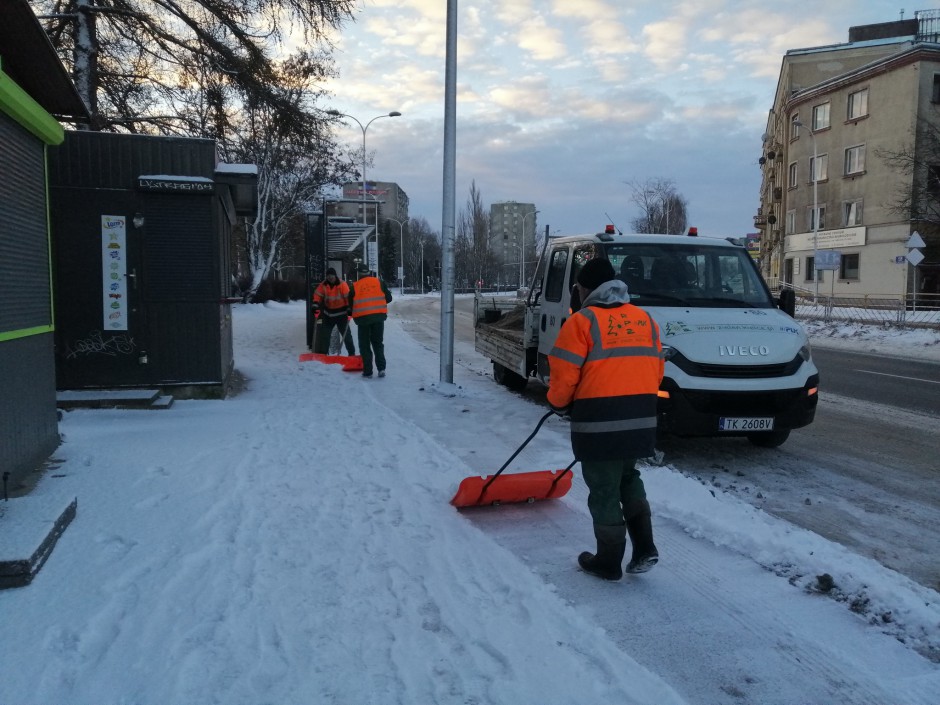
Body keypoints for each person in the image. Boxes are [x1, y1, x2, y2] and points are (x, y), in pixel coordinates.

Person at [547, 257, 664, 581]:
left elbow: (564, 377)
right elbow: (656, 371)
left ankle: (608, 560)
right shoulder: (645, 319)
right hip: (640, 417)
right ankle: (645, 547)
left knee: (603, 487)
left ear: (585, 288)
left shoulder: (582, 322)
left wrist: (558, 404)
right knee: (628, 477)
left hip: (599, 421)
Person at [349, 268, 393, 378]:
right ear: (369, 273)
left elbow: (350, 304)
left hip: (363, 319)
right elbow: (389, 298)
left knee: (364, 345)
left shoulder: (354, 286)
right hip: (378, 318)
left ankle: (368, 371)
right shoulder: (379, 282)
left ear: (359, 274)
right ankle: (381, 369)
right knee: (378, 343)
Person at [312, 268, 356, 356]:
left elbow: (348, 298)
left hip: (341, 315)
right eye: (328, 276)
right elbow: (317, 295)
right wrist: (315, 304)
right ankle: (323, 355)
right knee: (325, 336)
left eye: (332, 275)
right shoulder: (323, 285)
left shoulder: (342, 284)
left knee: (347, 336)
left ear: (335, 276)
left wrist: (349, 308)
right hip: (328, 315)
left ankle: (352, 354)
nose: (330, 277)